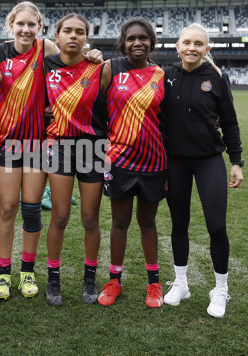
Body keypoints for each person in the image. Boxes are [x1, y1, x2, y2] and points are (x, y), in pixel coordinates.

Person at [0, 1, 101, 300]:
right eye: (20, 24)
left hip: (38, 143)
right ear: (11, 25)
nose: (25, 29)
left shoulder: (46, 48)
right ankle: (2, 273)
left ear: (40, 27)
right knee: (8, 207)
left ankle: (27, 271)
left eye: (31, 24)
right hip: (8, 143)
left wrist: (92, 54)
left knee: (32, 208)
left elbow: (71, 57)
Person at [162, 23, 243, 319]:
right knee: (178, 223)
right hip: (175, 161)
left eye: (199, 43)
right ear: (177, 46)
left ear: (207, 49)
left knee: (216, 226)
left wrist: (236, 162)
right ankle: (181, 283)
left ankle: (220, 289)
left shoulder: (218, 78)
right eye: (187, 42)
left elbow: (231, 123)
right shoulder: (166, 76)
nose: (192, 48)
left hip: (209, 160)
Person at [96, 17, 166, 309]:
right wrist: (103, 145)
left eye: (143, 38)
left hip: (153, 161)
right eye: (131, 38)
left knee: (147, 222)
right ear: (123, 42)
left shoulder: (161, 74)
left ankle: (154, 283)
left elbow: (169, 119)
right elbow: (96, 110)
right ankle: (115, 280)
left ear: (151, 41)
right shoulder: (110, 68)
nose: (137, 43)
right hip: (119, 162)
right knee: (120, 222)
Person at [43, 13, 105, 306]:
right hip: (59, 146)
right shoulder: (44, 65)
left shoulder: (99, 68)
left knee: (90, 219)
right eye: (66, 31)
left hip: (93, 148)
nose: (73, 36)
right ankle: (52, 279)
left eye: (79, 32)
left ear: (86, 38)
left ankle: (89, 279)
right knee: (60, 216)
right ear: (56, 37)